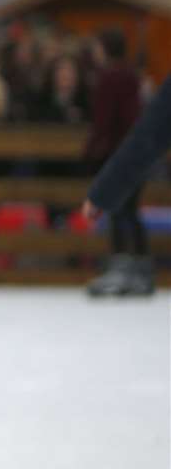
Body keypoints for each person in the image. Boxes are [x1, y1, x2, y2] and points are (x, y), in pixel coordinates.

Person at [81, 32, 149, 296]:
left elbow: (104, 120)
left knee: (118, 209)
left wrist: (90, 152)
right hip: (137, 151)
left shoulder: (109, 77)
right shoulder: (132, 76)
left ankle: (121, 268)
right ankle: (141, 268)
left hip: (115, 153)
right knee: (131, 210)